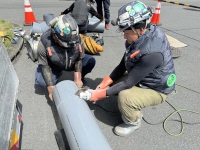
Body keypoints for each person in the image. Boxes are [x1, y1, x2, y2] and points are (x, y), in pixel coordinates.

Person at [78, 1, 176, 137]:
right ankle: (129, 101)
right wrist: (106, 83)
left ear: (140, 29)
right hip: (144, 76)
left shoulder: (152, 52)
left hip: (156, 88)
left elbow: (128, 83)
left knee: (125, 96)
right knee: (114, 85)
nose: (124, 36)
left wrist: (97, 94)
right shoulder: (140, 38)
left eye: (126, 32)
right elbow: (122, 65)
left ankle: (133, 121)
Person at [35, 14, 96, 101]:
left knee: (90, 61)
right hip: (54, 65)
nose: (68, 46)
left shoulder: (76, 38)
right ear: (55, 35)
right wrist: (51, 88)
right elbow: (45, 66)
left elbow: (79, 58)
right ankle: (57, 75)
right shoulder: (45, 42)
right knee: (41, 81)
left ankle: (81, 78)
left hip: (72, 61)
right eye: (64, 43)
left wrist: (78, 77)